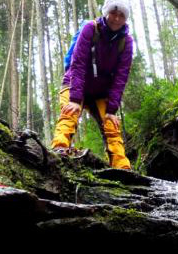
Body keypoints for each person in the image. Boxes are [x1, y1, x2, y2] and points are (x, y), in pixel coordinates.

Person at [51, 0, 133, 170]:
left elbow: (121, 77)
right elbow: (78, 62)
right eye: (113, 13)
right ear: (106, 12)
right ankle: (59, 150)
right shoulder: (90, 28)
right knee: (69, 114)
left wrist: (111, 110)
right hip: (75, 84)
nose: (116, 19)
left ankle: (122, 168)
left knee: (112, 125)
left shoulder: (127, 41)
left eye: (121, 15)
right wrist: (74, 99)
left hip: (101, 92)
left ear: (126, 19)